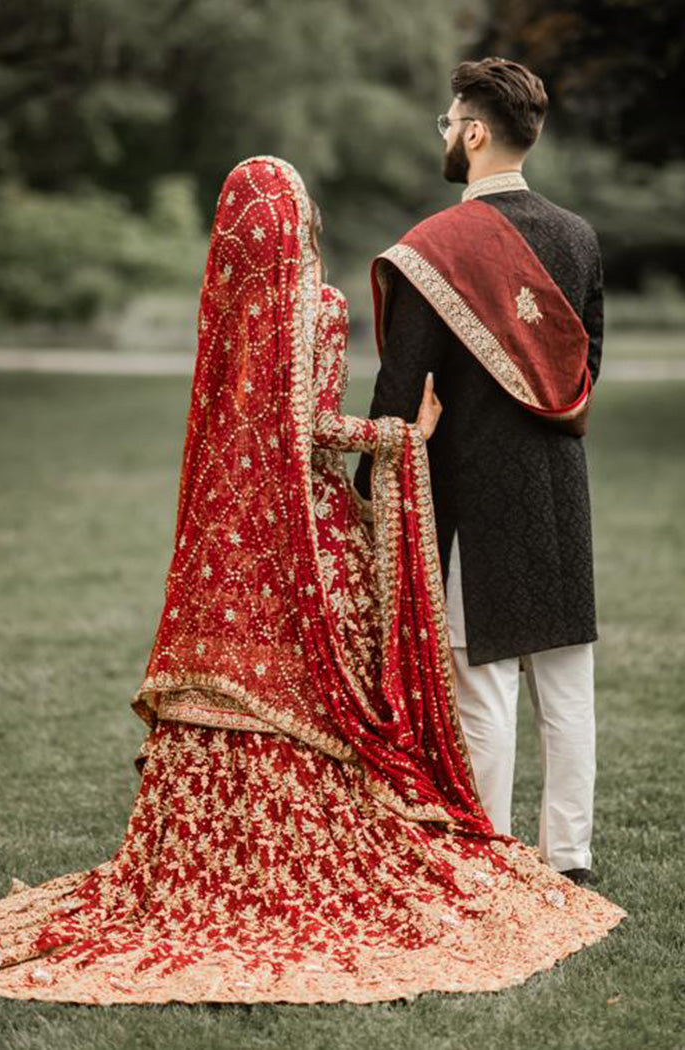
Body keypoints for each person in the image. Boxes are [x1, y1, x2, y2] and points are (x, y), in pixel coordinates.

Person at [0, 157, 622, 1006]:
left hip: (235, 533)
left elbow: (256, 428)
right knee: (507, 683)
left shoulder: (228, 316)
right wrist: (400, 441)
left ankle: (221, 851)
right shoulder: (322, 307)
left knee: (477, 683)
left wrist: (394, 432)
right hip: (327, 525)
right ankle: (551, 846)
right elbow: (316, 429)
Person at [354, 58, 604, 885]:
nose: (446, 135)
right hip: (561, 488)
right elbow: (586, 365)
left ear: (474, 131)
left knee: (485, 682)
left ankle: (491, 857)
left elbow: (400, 385)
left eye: (448, 122)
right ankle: (568, 859)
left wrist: (367, 485)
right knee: (566, 683)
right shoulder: (578, 236)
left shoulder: (437, 247)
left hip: (479, 486)